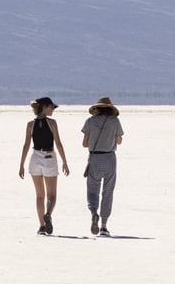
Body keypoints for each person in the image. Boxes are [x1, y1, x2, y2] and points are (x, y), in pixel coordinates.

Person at [19, 97, 70, 235]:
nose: (53, 110)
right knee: (52, 195)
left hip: (35, 158)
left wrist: (21, 165)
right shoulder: (52, 123)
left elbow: (26, 145)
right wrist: (65, 161)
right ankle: (48, 214)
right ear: (45, 107)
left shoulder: (30, 124)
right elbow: (58, 143)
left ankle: (41, 226)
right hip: (49, 158)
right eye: (52, 107)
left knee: (39, 195)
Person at [81, 97, 124, 237]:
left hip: (94, 158)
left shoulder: (90, 121)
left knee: (93, 191)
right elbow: (119, 140)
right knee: (108, 192)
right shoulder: (115, 121)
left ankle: (94, 213)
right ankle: (104, 226)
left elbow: (85, 144)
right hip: (110, 158)